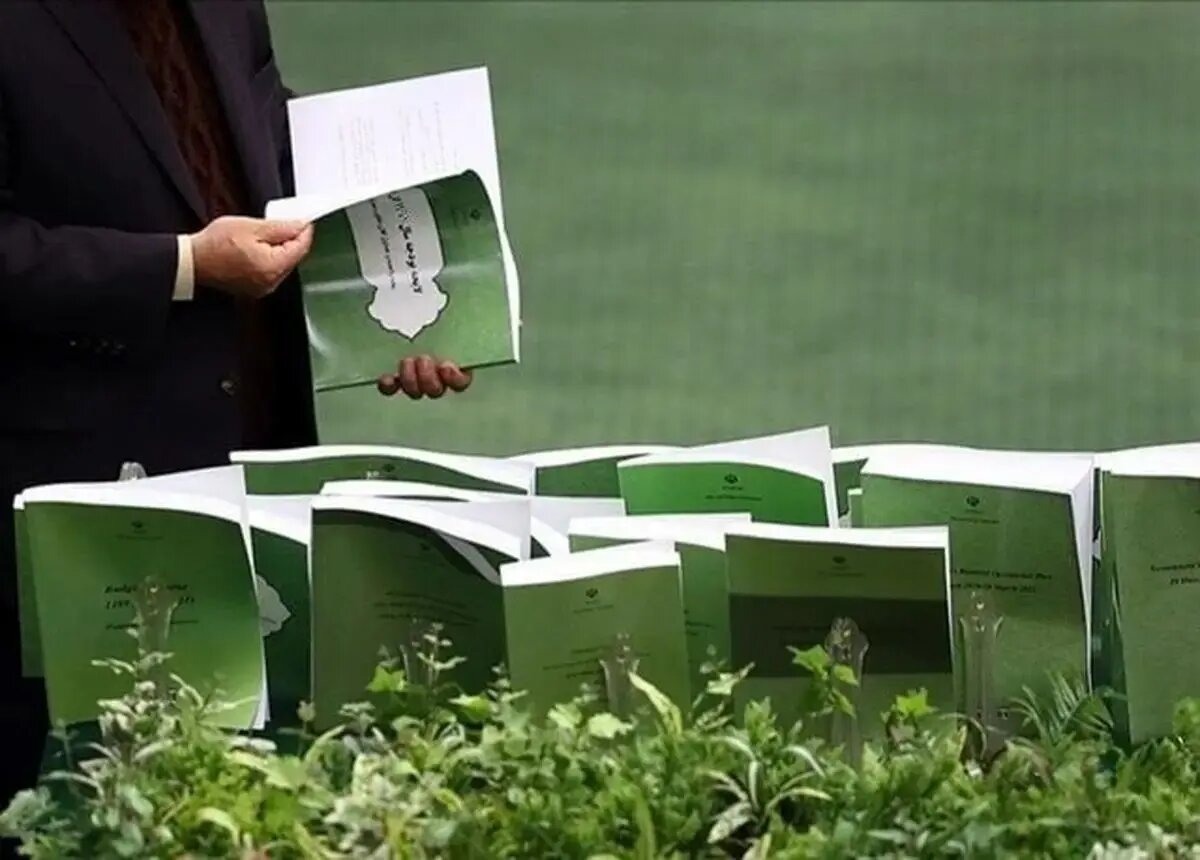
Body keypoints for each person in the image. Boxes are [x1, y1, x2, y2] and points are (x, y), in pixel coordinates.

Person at [0, 0, 471, 805]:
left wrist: (393, 303)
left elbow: (280, 160)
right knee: (69, 800)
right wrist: (183, 265)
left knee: (253, 793)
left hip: (257, 468)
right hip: (83, 498)